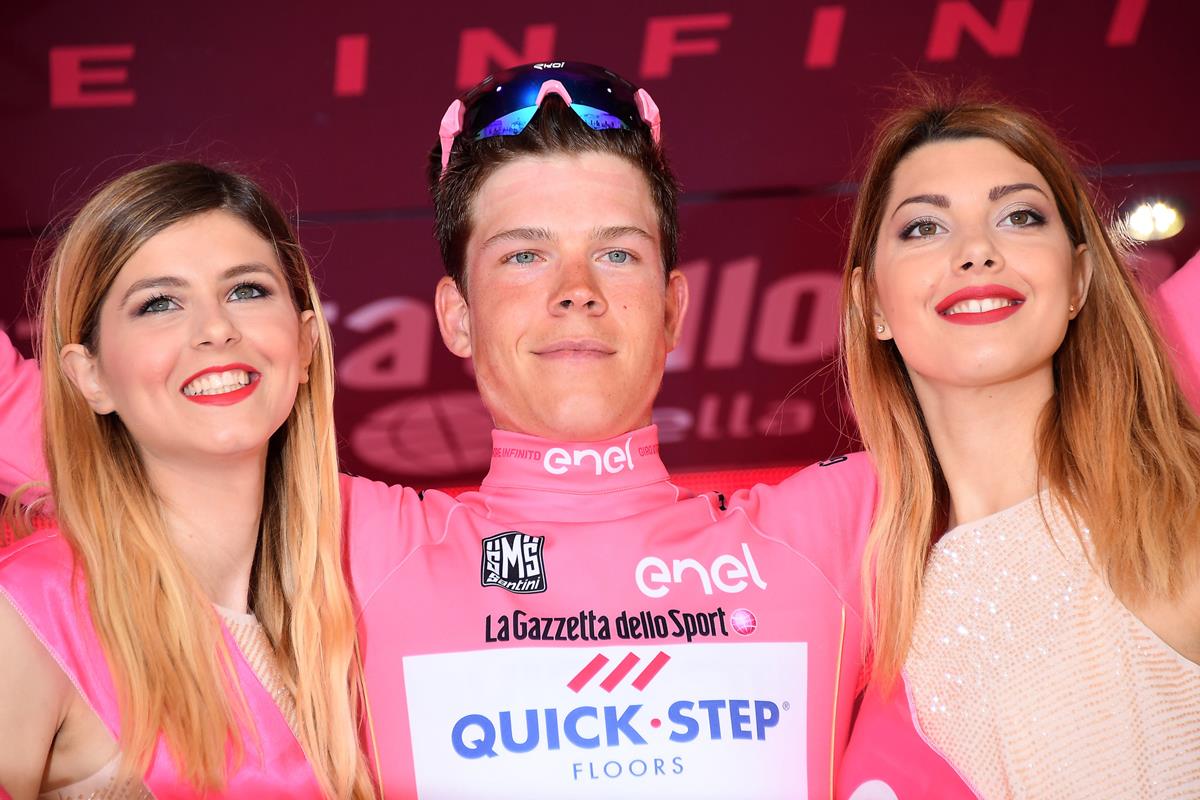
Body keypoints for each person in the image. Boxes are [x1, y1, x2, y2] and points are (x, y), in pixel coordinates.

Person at [0, 62, 895, 799]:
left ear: (673, 308)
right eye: (524, 255)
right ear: (455, 317)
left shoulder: (842, 526)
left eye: (617, 252)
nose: (576, 290)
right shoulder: (344, 544)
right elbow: (148, 422)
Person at [835, 89, 1200, 798]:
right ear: (870, 303)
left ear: (1079, 280)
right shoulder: (865, 607)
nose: (976, 251)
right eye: (924, 228)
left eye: (1020, 216)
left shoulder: (1177, 518)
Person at [0, 164, 374, 797]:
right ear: (90, 376)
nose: (216, 328)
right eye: (159, 303)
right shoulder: (30, 613)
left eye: (247, 290)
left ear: (307, 342)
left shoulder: (353, 610)